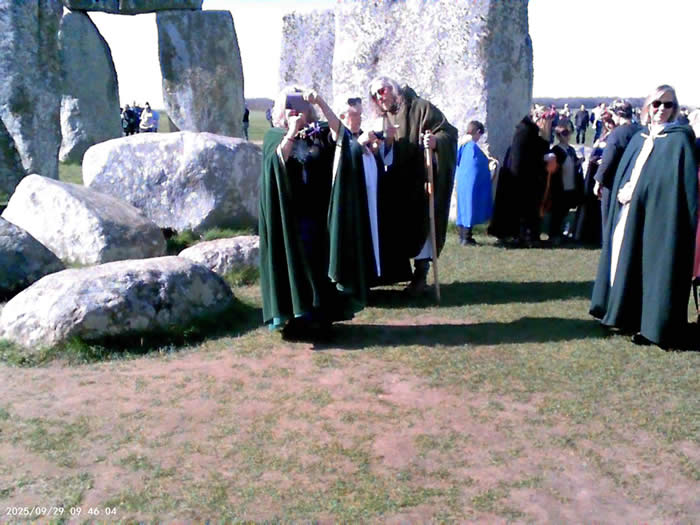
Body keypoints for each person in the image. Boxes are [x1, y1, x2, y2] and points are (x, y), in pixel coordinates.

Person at [590, 85, 698, 348]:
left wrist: (642, 194)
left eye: (668, 104)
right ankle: (623, 314)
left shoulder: (679, 140)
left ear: (674, 108)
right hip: (629, 212)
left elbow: (677, 185)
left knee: (654, 268)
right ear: (648, 106)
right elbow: (629, 173)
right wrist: (626, 191)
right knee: (625, 260)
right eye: (657, 103)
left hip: (660, 218)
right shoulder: (639, 137)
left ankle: (653, 326)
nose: (661, 109)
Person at [258, 86, 369, 340]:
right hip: (289, 216)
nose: (294, 110)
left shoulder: (318, 133)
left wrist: (320, 101)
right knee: (295, 264)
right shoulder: (274, 136)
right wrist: (292, 131)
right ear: (279, 111)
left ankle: (320, 317)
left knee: (319, 264)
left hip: (319, 212)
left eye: (299, 105)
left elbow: (342, 136)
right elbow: (276, 162)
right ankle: (298, 318)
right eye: (287, 106)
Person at [367, 76, 458, 295]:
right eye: (375, 95)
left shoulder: (421, 108)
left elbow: (449, 132)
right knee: (399, 229)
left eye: (382, 90)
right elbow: (386, 154)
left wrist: (435, 142)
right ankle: (398, 273)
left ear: (393, 89)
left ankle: (421, 275)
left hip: (421, 182)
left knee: (423, 226)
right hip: (398, 184)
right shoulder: (383, 118)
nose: (380, 97)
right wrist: (385, 143)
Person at [337, 98, 415, 286]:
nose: (359, 118)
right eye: (355, 114)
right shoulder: (339, 138)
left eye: (360, 114)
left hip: (372, 196)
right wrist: (359, 146)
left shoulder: (362, 135)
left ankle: (377, 276)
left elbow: (380, 162)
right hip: (353, 202)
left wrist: (383, 144)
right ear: (342, 116)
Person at [593, 100, 641, 238]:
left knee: (609, 220)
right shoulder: (640, 131)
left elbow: (608, 160)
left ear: (617, 114)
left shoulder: (617, 133)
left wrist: (598, 181)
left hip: (614, 183)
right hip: (634, 181)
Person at [541, 122, 583, 245]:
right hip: (559, 186)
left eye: (568, 133)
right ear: (558, 136)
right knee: (557, 212)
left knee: (565, 211)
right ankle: (553, 235)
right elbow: (554, 168)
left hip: (570, 185)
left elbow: (573, 163)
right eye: (564, 133)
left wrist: (579, 161)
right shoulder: (556, 150)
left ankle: (562, 233)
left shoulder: (571, 149)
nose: (567, 136)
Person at [455, 120, 492, 246]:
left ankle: (462, 236)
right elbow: (477, 164)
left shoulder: (461, 144)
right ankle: (466, 237)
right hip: (470, 183)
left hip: (462, 181)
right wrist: (488, 162)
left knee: (463, 208)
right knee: (469, 208)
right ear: (478, 132)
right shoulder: (471, 147)